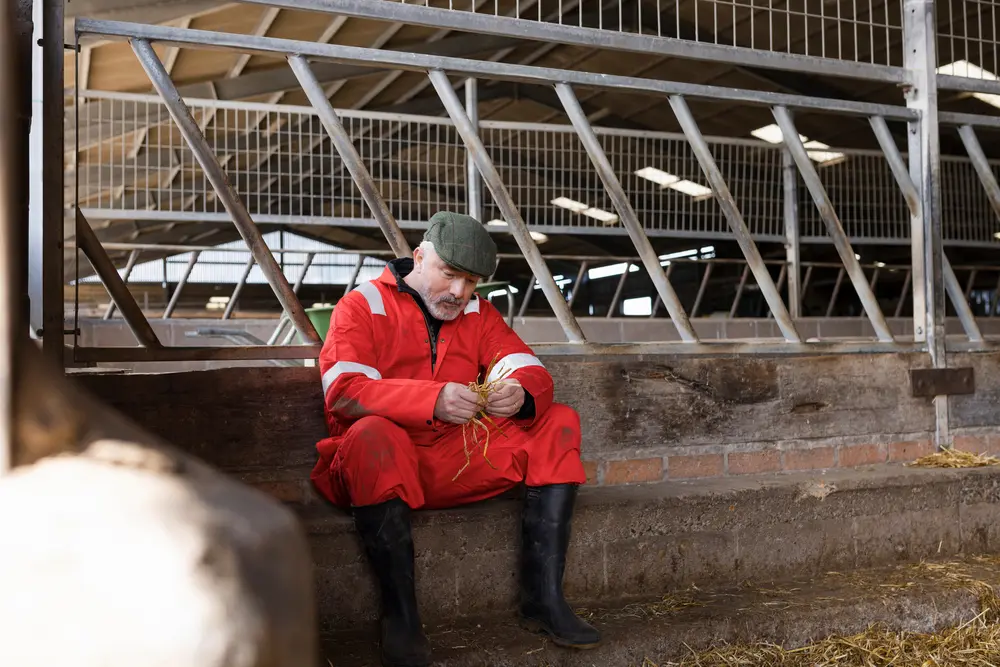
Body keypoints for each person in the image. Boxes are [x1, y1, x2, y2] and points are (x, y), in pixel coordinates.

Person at [310, 211, 601, 667]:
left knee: (558, 420)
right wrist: (432, 400)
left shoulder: (478, 312)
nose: (459, 292)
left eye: (472, 281)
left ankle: (542, 600)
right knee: (371, 434)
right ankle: (401, 620)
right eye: (450, 275)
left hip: (452, 459)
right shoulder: (361, 306)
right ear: (420, 256)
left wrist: (520, 393)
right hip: (378, 465)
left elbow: (526, 366)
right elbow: (345, 394)